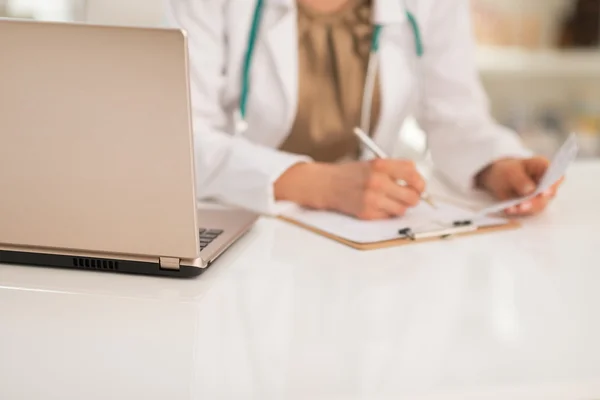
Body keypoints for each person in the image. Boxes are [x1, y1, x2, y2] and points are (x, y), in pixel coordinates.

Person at [166, 0, 561, 220]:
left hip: (370, 229)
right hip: (248, 217)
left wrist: (496, 165)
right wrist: (322, 185)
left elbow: (455, 117)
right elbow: (182, 139)